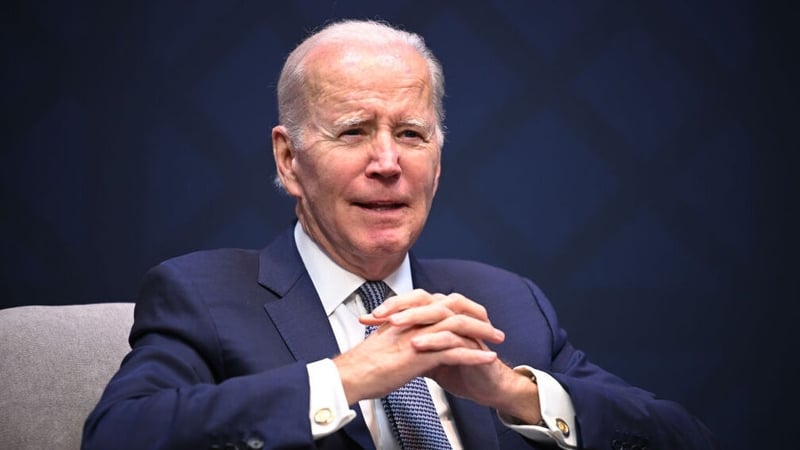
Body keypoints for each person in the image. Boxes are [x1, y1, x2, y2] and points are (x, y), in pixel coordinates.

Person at [83, 19, 718, 450]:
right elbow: (119, 434)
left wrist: (511, 392)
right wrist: (348, 378)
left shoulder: (505, 303)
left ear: (437, 161)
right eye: (354, 131)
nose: (388, 162)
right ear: (288, 159)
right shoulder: (203, 294)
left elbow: (682, 436)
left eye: (411, 135)